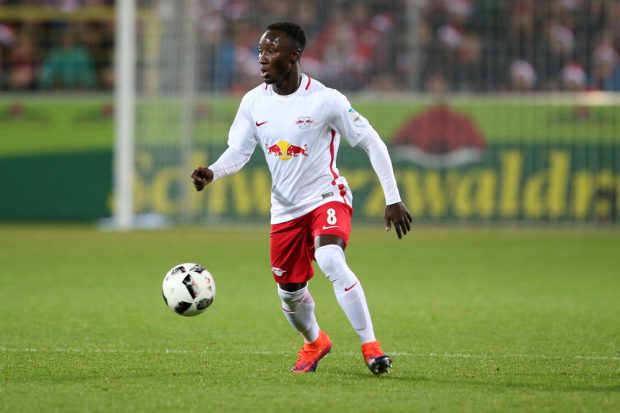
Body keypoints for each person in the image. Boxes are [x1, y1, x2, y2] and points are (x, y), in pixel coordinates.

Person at [191, 22, 412, 375]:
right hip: (285, 210)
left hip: (326, 196)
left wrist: (393, 198)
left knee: (330, 259)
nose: (262, 58)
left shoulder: (326, 100)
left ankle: (371, 348)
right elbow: (239, 151)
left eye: (271, 51)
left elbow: (372, 142)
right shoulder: (253, 103)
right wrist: (213, 172)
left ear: (294, 55)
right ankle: (314, 341)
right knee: (290, 293)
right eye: (260, 51)